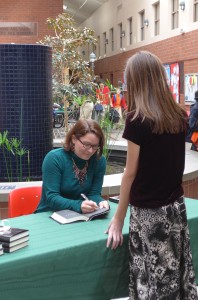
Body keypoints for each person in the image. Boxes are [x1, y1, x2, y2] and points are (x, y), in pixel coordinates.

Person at [105, 51, 198, 299]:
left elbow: (130, 174)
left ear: (136, 81)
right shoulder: (178, 115)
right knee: (178, 272)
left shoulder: (137, 119)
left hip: (149, 214)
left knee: (152, 280)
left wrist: (118, 218)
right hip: (175, 207)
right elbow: (174, 165)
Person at [36, 119, 109, 214]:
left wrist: (100, 202)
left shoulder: (99, 161)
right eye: (86, 145)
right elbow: (52, 198)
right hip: (49, 214)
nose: (90, 151)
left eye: (95, 146)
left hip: (80, 215)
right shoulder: (54, 158)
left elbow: (94, 194)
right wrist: (79, 205)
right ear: (74, 139)